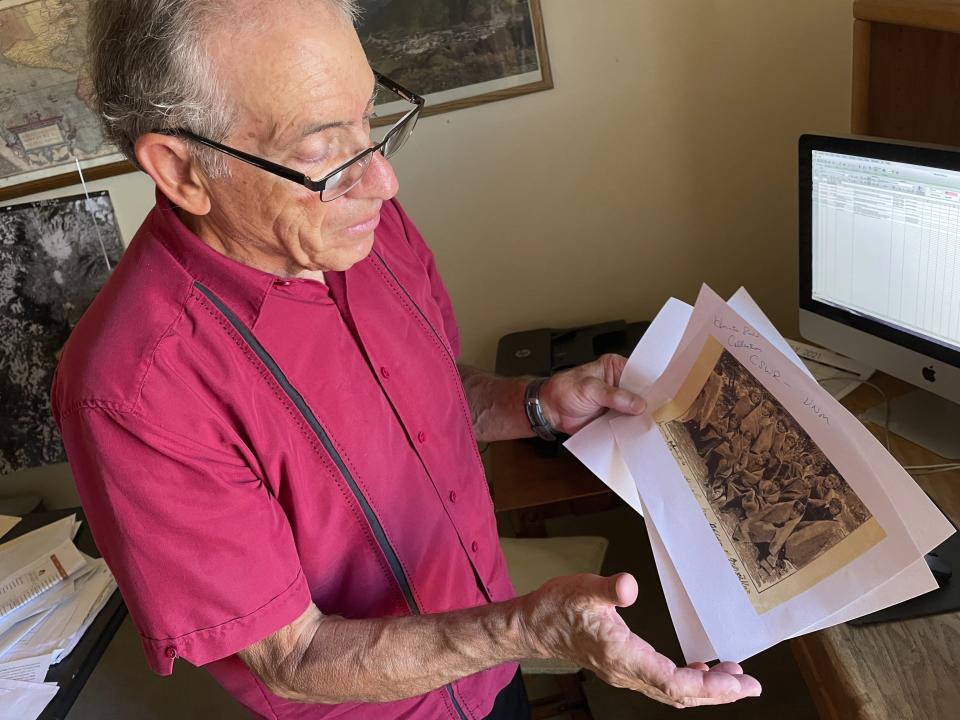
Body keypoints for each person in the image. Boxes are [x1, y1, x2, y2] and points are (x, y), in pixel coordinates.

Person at [50, 1, 761, 718]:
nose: (383, 183)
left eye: (371, 118)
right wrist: (530, 626)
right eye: (322, 149)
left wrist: (536, 403)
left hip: (492, 659)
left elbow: (426, 393)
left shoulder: (356, 223)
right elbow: (289, 657)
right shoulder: (131, 391)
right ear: (181, 170)